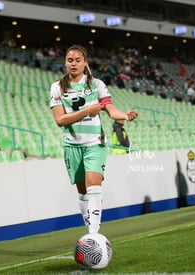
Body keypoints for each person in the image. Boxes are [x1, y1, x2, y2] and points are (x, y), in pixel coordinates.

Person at [49, 44, 138, 234]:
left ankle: (94, 234)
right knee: (82, 192)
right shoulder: (57, 87)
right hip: (72, 145)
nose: (73, 64)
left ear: (85, 63)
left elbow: (110, 110)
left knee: (93, 184)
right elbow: (60, 120)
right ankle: (89, 227)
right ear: (65, 63)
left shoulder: (97, 85)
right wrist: (87, 111)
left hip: (94, 143)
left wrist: (124, 115)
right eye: (70, 60)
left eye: (78, 60)